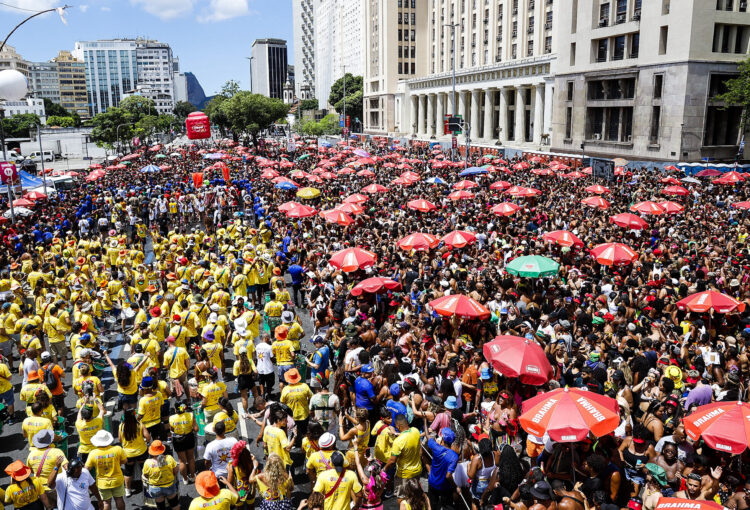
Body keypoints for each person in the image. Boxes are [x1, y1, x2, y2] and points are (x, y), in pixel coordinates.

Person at [84, 430, 127, 510]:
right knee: (119, 499)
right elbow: (124, 461)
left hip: (102, 483)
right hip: (117, 480)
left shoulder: (93, 453)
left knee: (106, 502)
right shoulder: (117, 449)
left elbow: (86, 469)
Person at [384, 413, 421, 502]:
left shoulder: (398, 442)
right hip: (417, 471)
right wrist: (396, 433)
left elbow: (392, 461)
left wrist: (384, 469)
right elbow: (406, 435)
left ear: (398, 425)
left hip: (404, 475)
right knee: (414, 497)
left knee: (402, 499)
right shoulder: (415, 431)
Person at [118, 407, 151, 497]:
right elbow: (148, 437)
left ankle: (128, 490)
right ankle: (148, 486)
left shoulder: (121, 426)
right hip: (141, 451)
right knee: (144, 469)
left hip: (128, 454)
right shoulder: (139, 424)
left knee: (128, 472)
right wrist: (146, 442)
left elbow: (120, 440)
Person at [425, 427, 459, 510]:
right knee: (447, 505)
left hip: (433, 483)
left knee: (433, 505)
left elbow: (427, 436)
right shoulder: (454, 456)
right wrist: (456, 486)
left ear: (443, 439)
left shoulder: (436, 447)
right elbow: (448, 475)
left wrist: (425, 421)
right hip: (445, 487)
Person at [141, 440, 180, 510]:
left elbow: (146, 475)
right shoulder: (169, 458)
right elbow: (176, 470)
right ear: (162, 450)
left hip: (155, 488)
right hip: (169, 485)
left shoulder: (147, 463)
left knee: (160, 507)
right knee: (174, 504)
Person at [280, 367, 313, 445]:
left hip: (292, 416)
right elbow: (312, 397)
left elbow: (282, 402)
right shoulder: (305, 386)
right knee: (304, 431)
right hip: (304, 414)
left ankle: (294, 443)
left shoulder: (285, 389)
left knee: (293, 432)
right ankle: (305, 445)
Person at [169, 400, 198, 484]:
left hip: (178, 440)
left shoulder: (171, 418)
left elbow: (172, 430)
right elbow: (196, 429)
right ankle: (192, 476)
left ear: (175, 409)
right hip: (189, 438)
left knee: (182, 461)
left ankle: (185, 479)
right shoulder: (191, 415)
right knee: (191, 458)